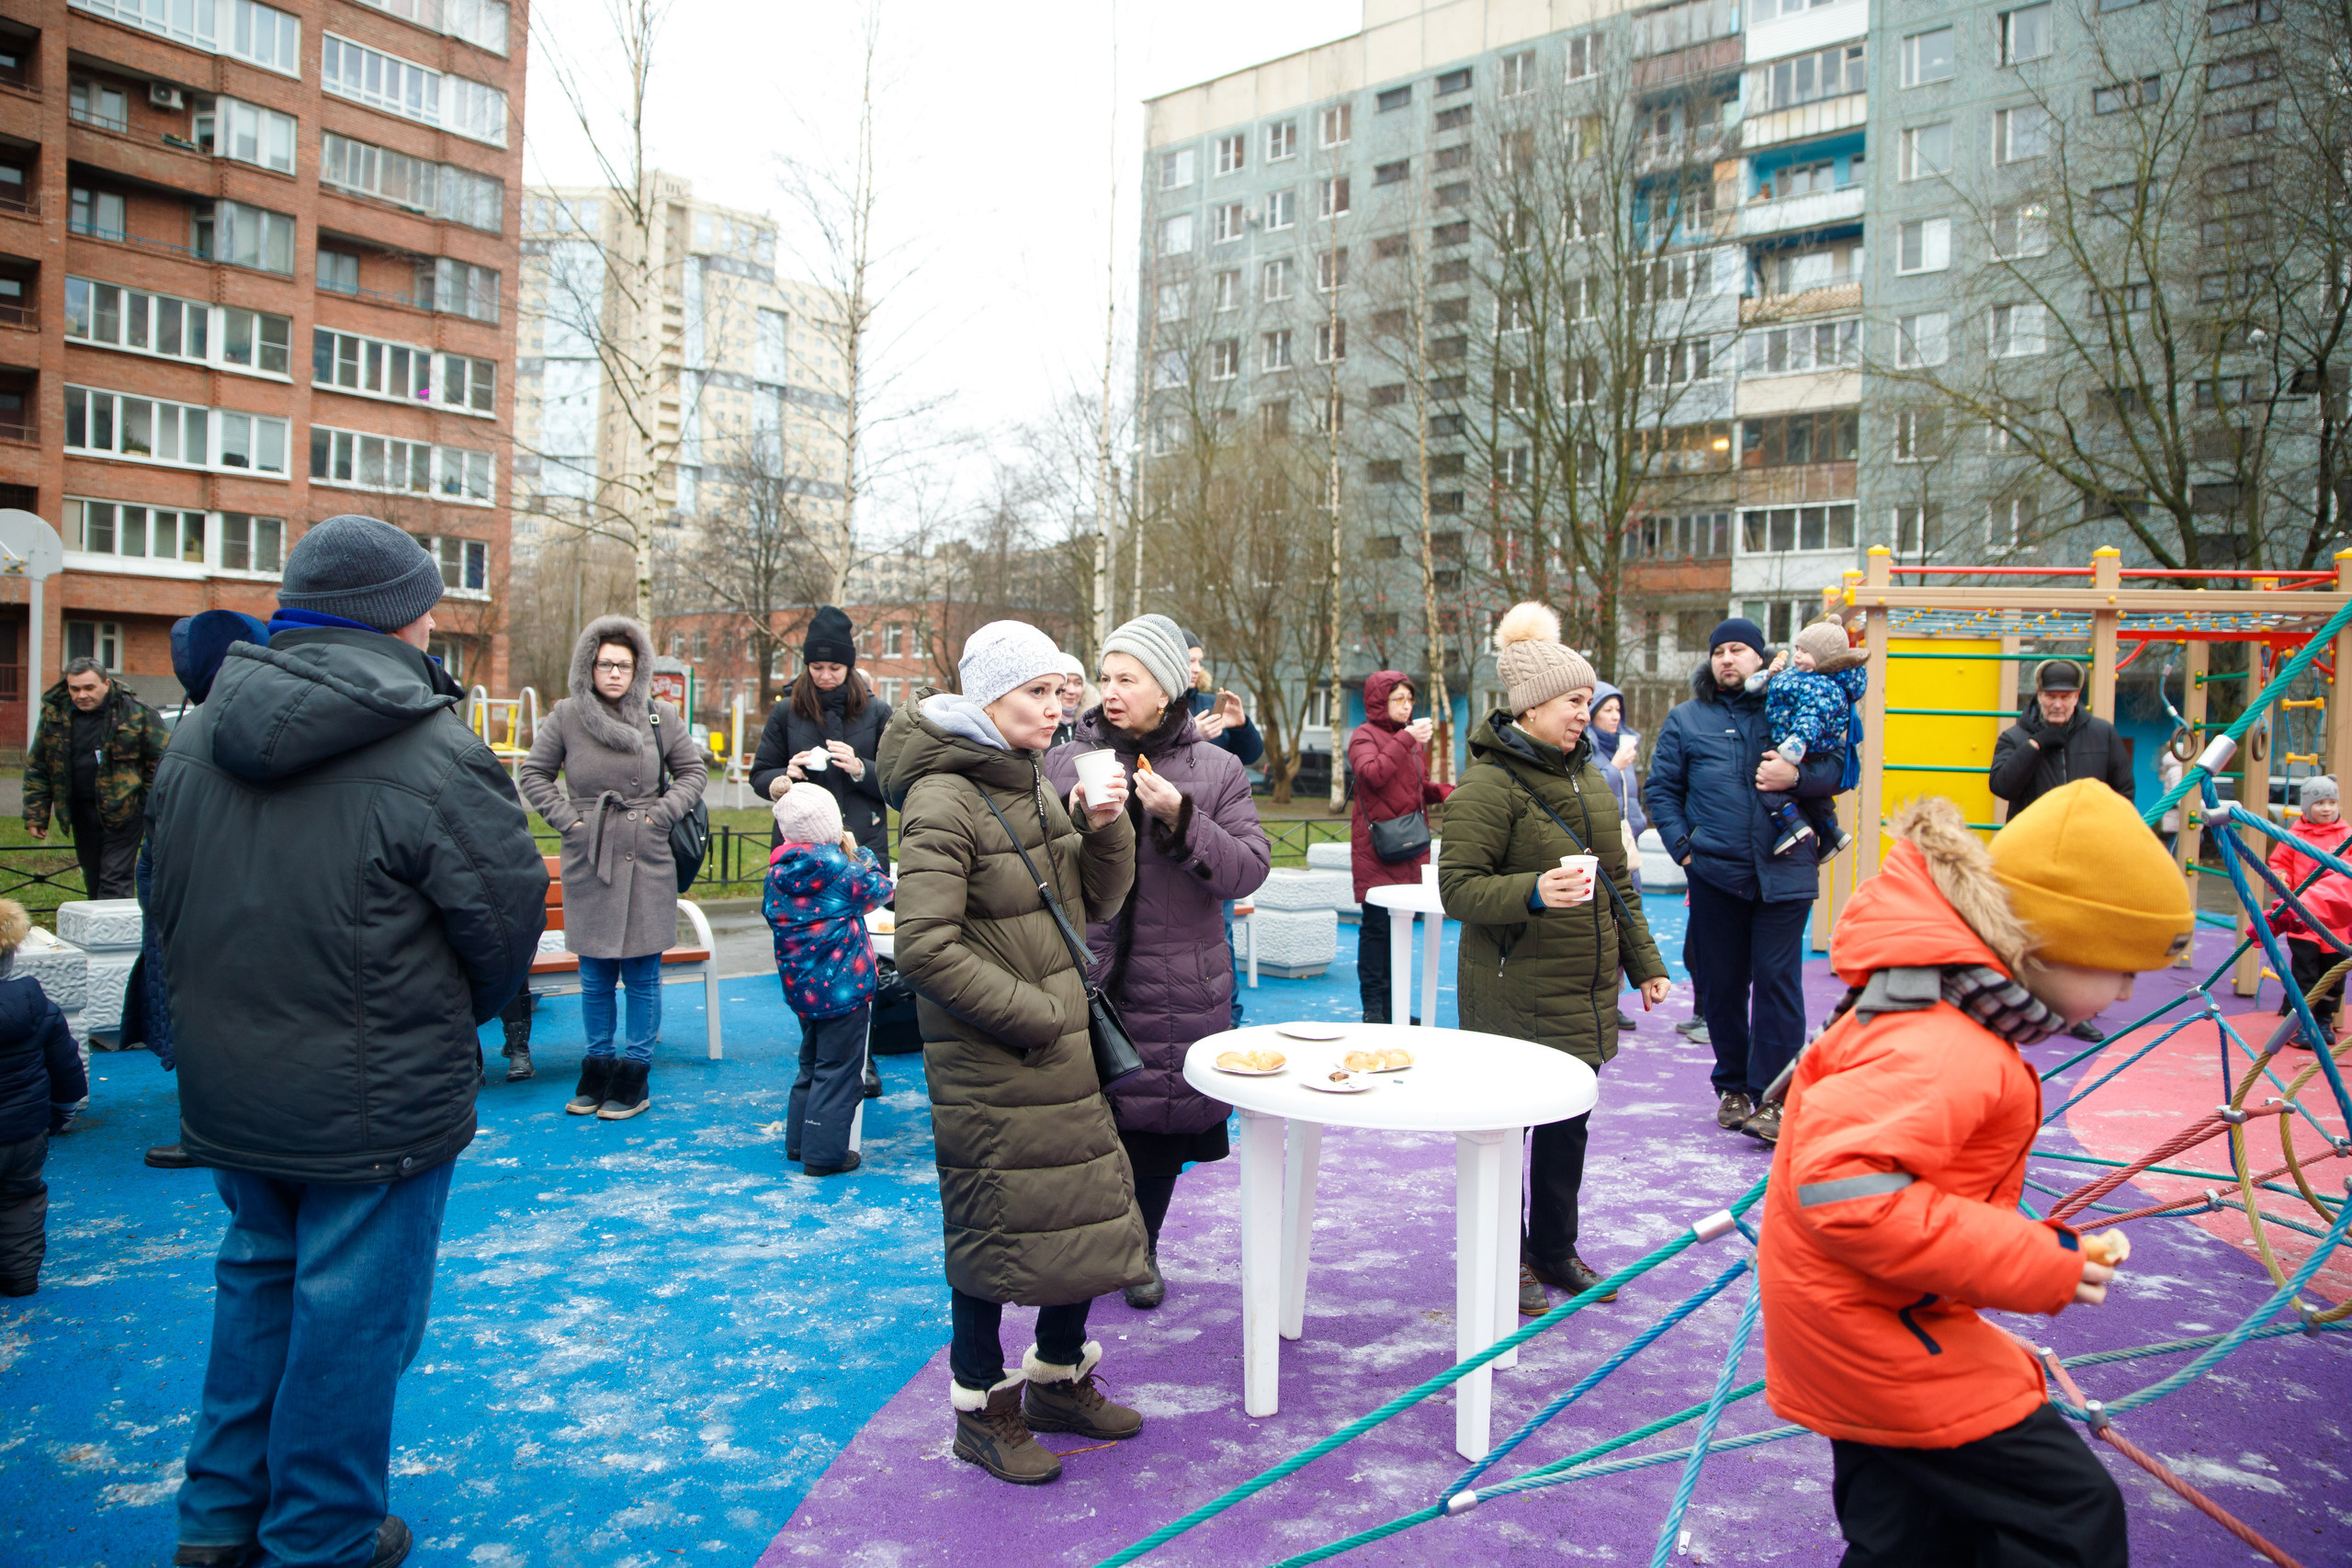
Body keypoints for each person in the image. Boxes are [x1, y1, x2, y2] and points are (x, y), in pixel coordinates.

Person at [147, 513, 547, 1568]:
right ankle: (320, 1533)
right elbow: (504, 927)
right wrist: (441, 1024)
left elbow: (161, 903)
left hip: (234, 1081)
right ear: (407, 615)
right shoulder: (432, 747)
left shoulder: (194, 731)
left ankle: (219, 1519)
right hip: (376, 1091)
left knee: (257, 1286)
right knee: (353, 1319)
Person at [1760, 784, 2192, 1568]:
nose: (2130, 990)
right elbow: (1845, 1192)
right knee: (2070, 1514)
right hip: (1877, 1335)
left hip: (1866, 1318)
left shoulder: (1950, 1013)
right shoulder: (1940, 1041)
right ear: (2047, 941)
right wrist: (2036, 1260)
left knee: (1912, 1532)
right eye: (2120, 965)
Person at [877, 619, 1148, 1487]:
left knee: (1076, 1213)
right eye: (1038, 692)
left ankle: (1058, 1380)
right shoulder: (942, 799)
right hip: (997, 1056)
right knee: (994, 1232)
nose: (1058, 707)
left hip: (1053, 1049)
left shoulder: (1028, 779)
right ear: (988, 697)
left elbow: (1091, 904)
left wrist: (1105, 827)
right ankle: (981, 1412)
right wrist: (1035, 1014)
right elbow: (921, 945)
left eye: (1061, 691)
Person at [1441, 604, 1671, 1311]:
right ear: (1534, 705)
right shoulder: (1488, 784)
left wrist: (1648, 964)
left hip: (1581, 987)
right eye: (1575, 701)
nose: (1587, 712)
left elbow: (1617, 882)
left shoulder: (1589, 778)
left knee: (1567, 1128)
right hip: (1513, 988)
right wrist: (1535, 891)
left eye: (1587, 700)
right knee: (1509, 1132)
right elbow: (1459, 888)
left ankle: (1555, 1250)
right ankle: (1504, 1256)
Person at [1045, 614, 1271, 1311]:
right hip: (1086, 972)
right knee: (1086, 1128)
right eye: (1105, 677)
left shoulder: (1218, 768)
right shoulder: (1065, 757)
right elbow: (1031, 852)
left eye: (1127, 678)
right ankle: (1097, 1249)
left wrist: (1182, 817)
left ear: (1168, 685)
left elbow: (1248, 870)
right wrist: (1076, 807)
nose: (1110, 691)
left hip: (1179, 980)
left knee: (1160, 1129)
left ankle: (1140, 1249)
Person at [1645, 617, 1844, 1144]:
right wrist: (1685, 850)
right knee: (1724, 984)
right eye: (1720, 652)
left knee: (1779, 984)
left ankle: (1775, 1098)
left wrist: (1796, 777)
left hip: (1786, 871)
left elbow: (1840, 770)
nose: (1728, 659)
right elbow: (1662, 789)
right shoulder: (1687, 719)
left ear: (1763, 657)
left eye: (1739, 650)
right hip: (1716, 873)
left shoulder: (1789, 706)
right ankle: (1734, 1088)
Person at [520, 615, 707, 1123]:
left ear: (638, 668)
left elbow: (693, 772)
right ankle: (598, 1066)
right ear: (589, 666)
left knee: (644, 974)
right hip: (591, 853)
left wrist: (659, 816)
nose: (616, 673)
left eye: (625, 665)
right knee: (596, 973)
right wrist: (570, 822)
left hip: (647, 855)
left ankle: (635, 1073)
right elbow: (533, 773)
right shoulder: (564, 716)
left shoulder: (658, 716)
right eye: (606, 664)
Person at [125, 612, 269, 1170]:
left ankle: (215, 1129)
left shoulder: (212, 725)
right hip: (202, 891)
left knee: (210, 1016)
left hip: (207, 897)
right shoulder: (217, 719)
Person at [1990, 659, 2138, 1044]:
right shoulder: (2016, 737)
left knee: (2081, 934)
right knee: (2030, 930)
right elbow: (2002, 785)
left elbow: (2124, 790)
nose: (2058, 704)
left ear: (2077, 697)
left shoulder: (2103, 735)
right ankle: (2025, 1005)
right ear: (2038, 696)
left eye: (2066, 696)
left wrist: (2108, 835)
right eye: (2051, 696)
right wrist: (2037, 745)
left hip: (2085, 853)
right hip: (2032, 853)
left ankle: (2077, 1013)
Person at [765, 782, 896, 1174]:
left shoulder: (777, 872)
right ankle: (825, 1154)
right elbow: (883, 889)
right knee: (839, 1071)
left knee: (811, 1064)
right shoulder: (839, 870)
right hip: (844, 990)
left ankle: (799, 1143)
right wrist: (863, 854)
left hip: (801, 989)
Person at [749, 606, 894, 866]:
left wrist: (860, 769)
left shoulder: (877, 712)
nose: (825, 675)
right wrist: (785, 775)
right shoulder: (785, 711)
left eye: (835, 667)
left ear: (849, 667)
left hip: (861, 845)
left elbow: (898, 780)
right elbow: (760, 775)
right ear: (807, 666)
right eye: (817, 667)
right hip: (798, 844)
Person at [1349, 671, 1451, 1024]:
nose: (1407, 707)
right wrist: (1405, 739)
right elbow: (1372, 774)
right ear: (1380, 701)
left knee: (1401, 928)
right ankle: (1374, 1009)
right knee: (1377, 927)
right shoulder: (1363, 735)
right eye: (1398, 700)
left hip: (1408, 845)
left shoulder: (1411, 742)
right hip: (1376, 846)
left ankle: (1395, 1010)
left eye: (1410, 700)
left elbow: (1415, 787)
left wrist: (1443, 791)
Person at [23, 656, 169, 899]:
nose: (81, 695)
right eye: (75, 689)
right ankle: (97, 930)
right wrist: (36, 813)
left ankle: (113, 934)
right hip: (81, 813)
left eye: (89, 688)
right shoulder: (54, 715)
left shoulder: (136, 713)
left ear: (106, 684)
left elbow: (161, 762)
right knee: (92, 876)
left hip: (125, 813)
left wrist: (144, 805)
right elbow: (39, 765)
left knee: (114, 878)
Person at [0, 898, 85, 1298]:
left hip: (25, 1125)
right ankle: (20, 1277)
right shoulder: (37, 1005)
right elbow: (68, 1070)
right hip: (25, 1131)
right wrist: (59, 1114)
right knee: (20, 1200)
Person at [1743, 618, 1865, 856]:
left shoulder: (1820, 687)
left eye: (1805, 652)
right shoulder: (1799, 675)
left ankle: (1793, 826)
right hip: (1797, 744)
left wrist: (1798, 741)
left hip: (1798, 745)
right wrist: (1771, 674)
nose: (1797, 656)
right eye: (1797, 649)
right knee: (1815, 799)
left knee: (1768, 787)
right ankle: (1831, 833)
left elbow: (1811, 716)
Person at [2263, 774, 2352, 1045]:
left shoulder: (2346, 836)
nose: (2327, 808)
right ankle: (2302, 1022)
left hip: (2337, 921)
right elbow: (2279, 863)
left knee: (2334, 974)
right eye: (2320, 802)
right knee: (2305, 973)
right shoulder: (2294, 836)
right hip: (2304, 918)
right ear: (2306, 807)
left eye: (2332, 802)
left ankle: (2324, 1020)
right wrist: (2281, 880)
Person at [1589, 681, 1647, 1031]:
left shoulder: (1626, 745)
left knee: (1629, 921)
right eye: (1606, 710)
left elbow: (1633, 803)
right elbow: (1594, 790)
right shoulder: (1589, 749)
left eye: (1617, 710)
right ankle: (1601, 1000)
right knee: (1604, 928)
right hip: (1602, 849)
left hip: (1629, 847)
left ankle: (1616, 999)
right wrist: (1615, 765)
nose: (1614, 717)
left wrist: (1636, 828)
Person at [1179, 628, 1265, 765]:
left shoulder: (1212, 705)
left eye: (1200, 661)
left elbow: (1249, 757)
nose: (1197, 669)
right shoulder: (1156, 707)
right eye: (1191, 661)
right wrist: (1191, 735)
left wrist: (1241, 727)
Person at [1050, 651, 1088, 747]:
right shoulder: (1039, 728)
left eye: (1078, 683)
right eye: (1065, 682)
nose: (1071, 691)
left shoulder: (1094, 726)